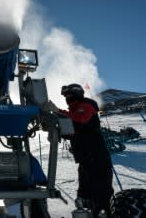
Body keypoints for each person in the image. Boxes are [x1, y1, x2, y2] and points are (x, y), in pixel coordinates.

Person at [46, 83, 114, 217]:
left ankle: (104, 212)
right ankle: (87, 209)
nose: (68, 100)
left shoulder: (86, 105)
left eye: (70, 96)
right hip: (85, 157)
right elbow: (75, 131)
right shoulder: (74, 111)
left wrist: (58, 111)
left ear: (77, 95)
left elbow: (81, 120)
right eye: (66, 97)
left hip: (96, 155)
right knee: (85, 189)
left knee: (100, 188)